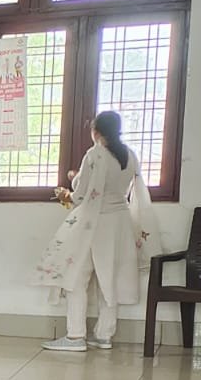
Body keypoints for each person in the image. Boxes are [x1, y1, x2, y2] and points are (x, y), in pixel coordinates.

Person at [33, 111, 163, 351]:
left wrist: (67, 191)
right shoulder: (129, 155)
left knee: (76, 277)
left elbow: (81, 196)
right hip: (121, 222)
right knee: (110, 279)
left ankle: (75, 336)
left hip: (95, 223)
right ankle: (104, 335)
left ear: (96, 131)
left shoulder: (95, 154)